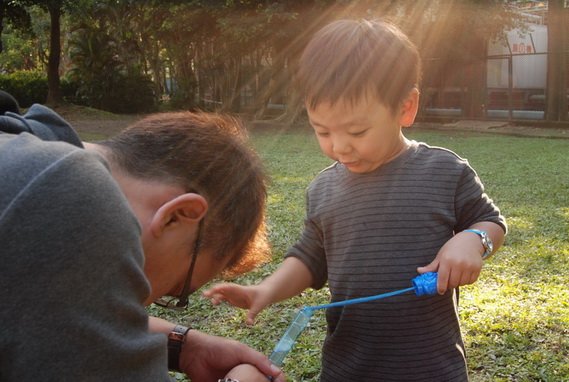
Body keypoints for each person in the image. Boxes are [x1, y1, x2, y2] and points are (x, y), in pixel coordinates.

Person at [204, 19, 507, 381]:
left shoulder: (444, 171)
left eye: (357, 131)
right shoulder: (323, 189)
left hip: (430, 367)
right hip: (349, 367)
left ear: (405, 107)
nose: (340, 146)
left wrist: (474, 240)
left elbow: (491, 222)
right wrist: (265, 291)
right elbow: (309, 259)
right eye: (323, 130)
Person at [0, 97, 284, 382]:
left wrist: (184, 346)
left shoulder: (28, 144)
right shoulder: (75, 196)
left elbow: (58, 318)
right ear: (177, 215)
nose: (148, 303)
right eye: (177, 289)